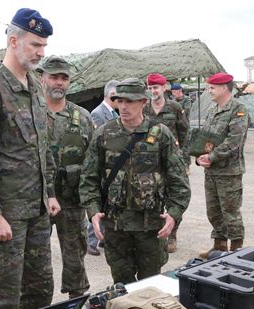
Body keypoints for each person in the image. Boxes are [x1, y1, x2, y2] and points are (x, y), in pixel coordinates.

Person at [0, 8, 60, 309]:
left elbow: (41, 146)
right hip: (7, 215)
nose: (41, 52)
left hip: (37, 212)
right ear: (13, 41)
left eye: (44, 46)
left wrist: (50, 194)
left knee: (40, 292)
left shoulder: (34, 87)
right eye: (35, 44)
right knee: (4, 299)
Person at [80, 78, 191, 284]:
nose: (123, 106)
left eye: (129, 101)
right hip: (116, 226)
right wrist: (93, 212)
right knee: (122, 284)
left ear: (143, 102)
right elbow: (89, 178)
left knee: (150, 284)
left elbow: (179, 180)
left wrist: (174, 214)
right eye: (119, 100)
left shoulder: (160, 135)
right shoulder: (104, 134)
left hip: (150, 226)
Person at [38, 56, 93, 299]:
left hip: (71, 200)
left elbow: (94, 163)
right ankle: (39, 304)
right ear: (42, 79)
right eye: (54, 77)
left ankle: (76, 301)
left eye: (64, 78)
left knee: (75, 255)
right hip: (37, 201)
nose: (59, 82)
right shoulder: (31, 114)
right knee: (36, 258)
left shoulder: (82, 117)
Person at [196, 72, 250, 259]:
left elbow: (234, 141)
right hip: (211, 170)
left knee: (230, 211)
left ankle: (236, 250)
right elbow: (206, 139)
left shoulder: (239, 109)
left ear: (224, 88)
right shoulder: (213, 110)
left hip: (229, 172)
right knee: (214, 211)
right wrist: (199, 156)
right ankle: (219, 247)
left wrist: (211, 156)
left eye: (212, 87)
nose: (209, 91)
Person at [143, 73, 189, 253]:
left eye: (156, 87)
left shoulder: (175, 107)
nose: (153, 91)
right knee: (151, 196)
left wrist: (183, 158)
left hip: (171, 161)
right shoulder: (144, 108)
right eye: (151, 88)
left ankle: (172, 235)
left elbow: (184, 133)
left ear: (164, 88)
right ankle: (155, 233)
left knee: (174, 197)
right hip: (149, 162)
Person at [87, 79, 120, 255]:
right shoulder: (98, 114)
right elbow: (99, 140)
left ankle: (102, 238)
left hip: (113, 166)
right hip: (102, 166)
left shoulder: (113, 113)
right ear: (111, 96)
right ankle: (91, 241)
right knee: (98, 205)